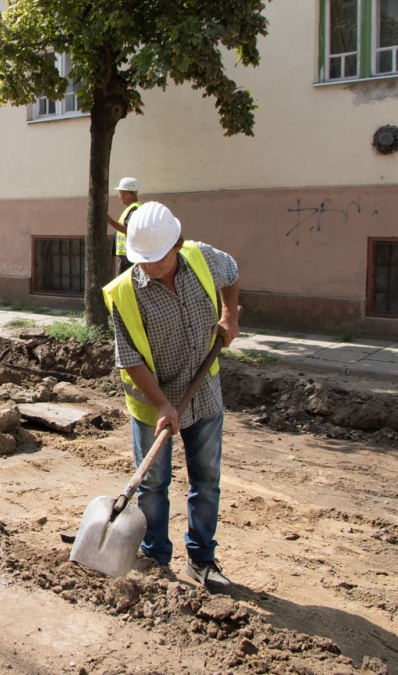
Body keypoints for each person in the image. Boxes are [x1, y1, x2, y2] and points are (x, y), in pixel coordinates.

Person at [102, 201, 240, 593]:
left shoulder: (202, 259)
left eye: (156, 260)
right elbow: (129, 358)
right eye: (141, 260)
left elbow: (232, 273)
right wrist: (163, 404)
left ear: (176, 244)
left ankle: (202, 557)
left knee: (207, 479)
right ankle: (155, 557)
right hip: (153, 402)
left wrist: (229, 316)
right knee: (153, 484)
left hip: (204, 392)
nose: (147, 267)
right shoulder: (124, 292)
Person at [106, 177, 142, 273]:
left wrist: (110, 221)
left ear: (127, 193)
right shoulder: (132, 208)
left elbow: (128, 230)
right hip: (128, 256)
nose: (119, 196)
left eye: (120, 193)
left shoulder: (134, 209)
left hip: (128, 258)